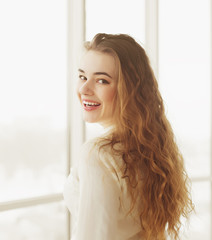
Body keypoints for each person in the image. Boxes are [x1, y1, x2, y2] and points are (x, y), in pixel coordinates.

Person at [63, 33, 194, 240]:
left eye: (102, 80)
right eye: (82, 76)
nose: (85, 89)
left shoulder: (98, 154)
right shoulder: (149, 148)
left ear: (129, 89)